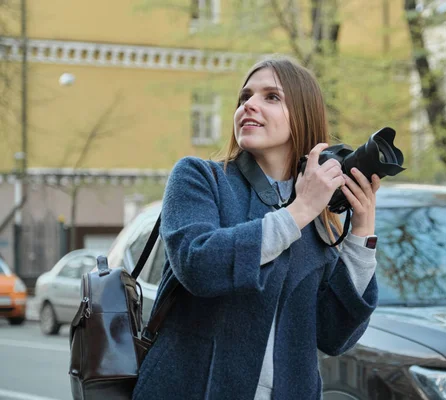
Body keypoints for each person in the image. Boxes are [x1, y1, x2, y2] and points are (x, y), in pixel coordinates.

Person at [133, 56, 379, 400]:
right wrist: (300, 210)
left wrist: (361, 233)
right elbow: (197, 264)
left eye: (271, 97)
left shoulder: (315, 212)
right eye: (244, 97)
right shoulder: (199, 177)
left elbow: (335, 336)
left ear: (303, 115)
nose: (249, 105)